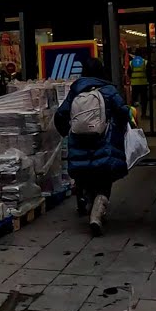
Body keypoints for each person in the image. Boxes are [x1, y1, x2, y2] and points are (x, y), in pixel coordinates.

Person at [55, 55, 131, 236]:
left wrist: (68, 132)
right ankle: (98, 209)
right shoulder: (108, 90)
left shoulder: (75, 90)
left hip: (79, 142)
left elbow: (60, 116)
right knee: (104, 179)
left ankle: (85, 199)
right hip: (103, 141)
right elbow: (123, 113)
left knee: (84, 173)